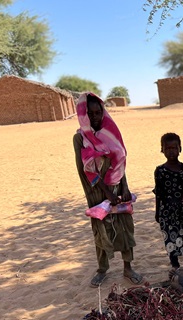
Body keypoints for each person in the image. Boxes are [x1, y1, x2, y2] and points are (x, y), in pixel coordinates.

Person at [73, 92, 142, 287]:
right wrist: (106, 192)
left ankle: (128, 267)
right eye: (90, 113)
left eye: (98, 113)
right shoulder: (79, 139)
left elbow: (120, 162)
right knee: (101, 230)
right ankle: (102, 269)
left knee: (124, 226)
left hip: (118, 188)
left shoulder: (111, 132)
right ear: (83, 115)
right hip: (96, 190)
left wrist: (124, 187)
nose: (95, 117)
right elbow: (84, 170)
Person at [154, 133, 183, 279]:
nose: (171, 151)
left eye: (174, 148)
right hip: (168, 211)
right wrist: (158, 212)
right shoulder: (160, 171)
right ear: (162, 150)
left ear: (180, 149)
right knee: (171, 237)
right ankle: (174, 264)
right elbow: (159, 193)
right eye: (167, 148)